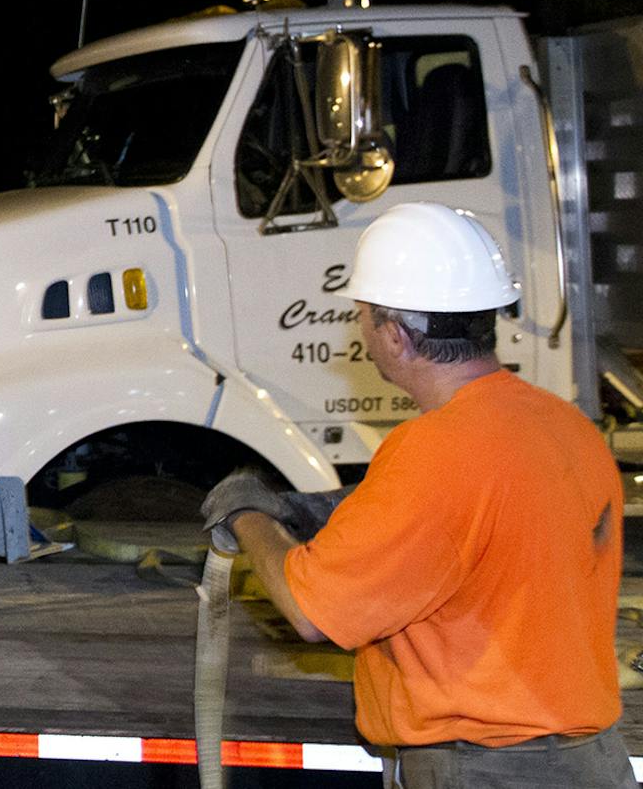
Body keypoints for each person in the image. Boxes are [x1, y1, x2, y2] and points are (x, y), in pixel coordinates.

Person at [203, 203, 631, 788]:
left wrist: (245, 510)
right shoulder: (567, 427)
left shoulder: (437, 450)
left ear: (396, 334)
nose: (360, 333)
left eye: (361, 317)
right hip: (590, 763)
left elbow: (310, 613)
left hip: (491, 770)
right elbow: (493, 536)